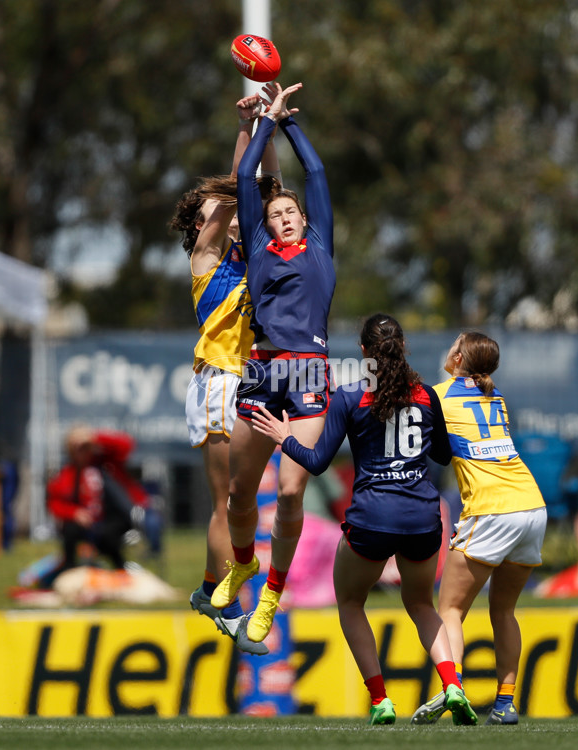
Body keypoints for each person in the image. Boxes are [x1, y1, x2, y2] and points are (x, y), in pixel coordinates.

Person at [251, 314, 477, 726]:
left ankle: (380, 700)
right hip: (423, 519)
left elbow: (317, 463)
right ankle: (453, 685)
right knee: (422, 605)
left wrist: (284, 438)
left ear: (363, 353)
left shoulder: (352, 396)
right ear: (403, 347)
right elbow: (444, 456)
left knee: (352, 603)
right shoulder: (427, 395)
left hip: (372, 518)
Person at [210, 82, 337, 644]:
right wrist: (261, 123)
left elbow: (317, 176)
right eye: (276, 212)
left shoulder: (321, 246)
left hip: (308, 371)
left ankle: (271, 594)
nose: (284, 217)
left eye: (291, 212)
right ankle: (242, 563)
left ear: (305, 221)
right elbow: (244, 183)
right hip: (261, 372)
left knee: (289, 492)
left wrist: (286, 122)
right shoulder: (259, 249)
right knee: (240, 496)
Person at [169, 89, 281, 656]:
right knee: (228, 504)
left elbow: (267, 189)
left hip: (253, 383)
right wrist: (246, 129)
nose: (227, 210)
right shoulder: (205, 259)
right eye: (215, 208)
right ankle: (228, 607)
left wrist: (267, 127)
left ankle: (212, 589)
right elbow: (241, 190)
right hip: (218, 381)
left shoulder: (251, 255)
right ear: (200, 224)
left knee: (249, 503)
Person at [411, 332, 548, 726]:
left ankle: (454, 689)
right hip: (531, 506)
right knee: (504, 610)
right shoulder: (497, 396)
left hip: (490, 510)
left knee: (450, 608)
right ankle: (505, 703)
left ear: (456, 356)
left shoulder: (436, 394)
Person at [46, 426, 139, 575]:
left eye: (85, 447)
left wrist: (93, 437)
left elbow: (127, 445)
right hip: (85, 524)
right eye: (77, 448)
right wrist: (74, 512)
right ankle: (69, 569)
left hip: (111, 520)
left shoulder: (108, 464)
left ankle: (121, 569)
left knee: (109, 535)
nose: (83, 452)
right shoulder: (66, 475)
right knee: (70, 529)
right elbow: (54, 503)